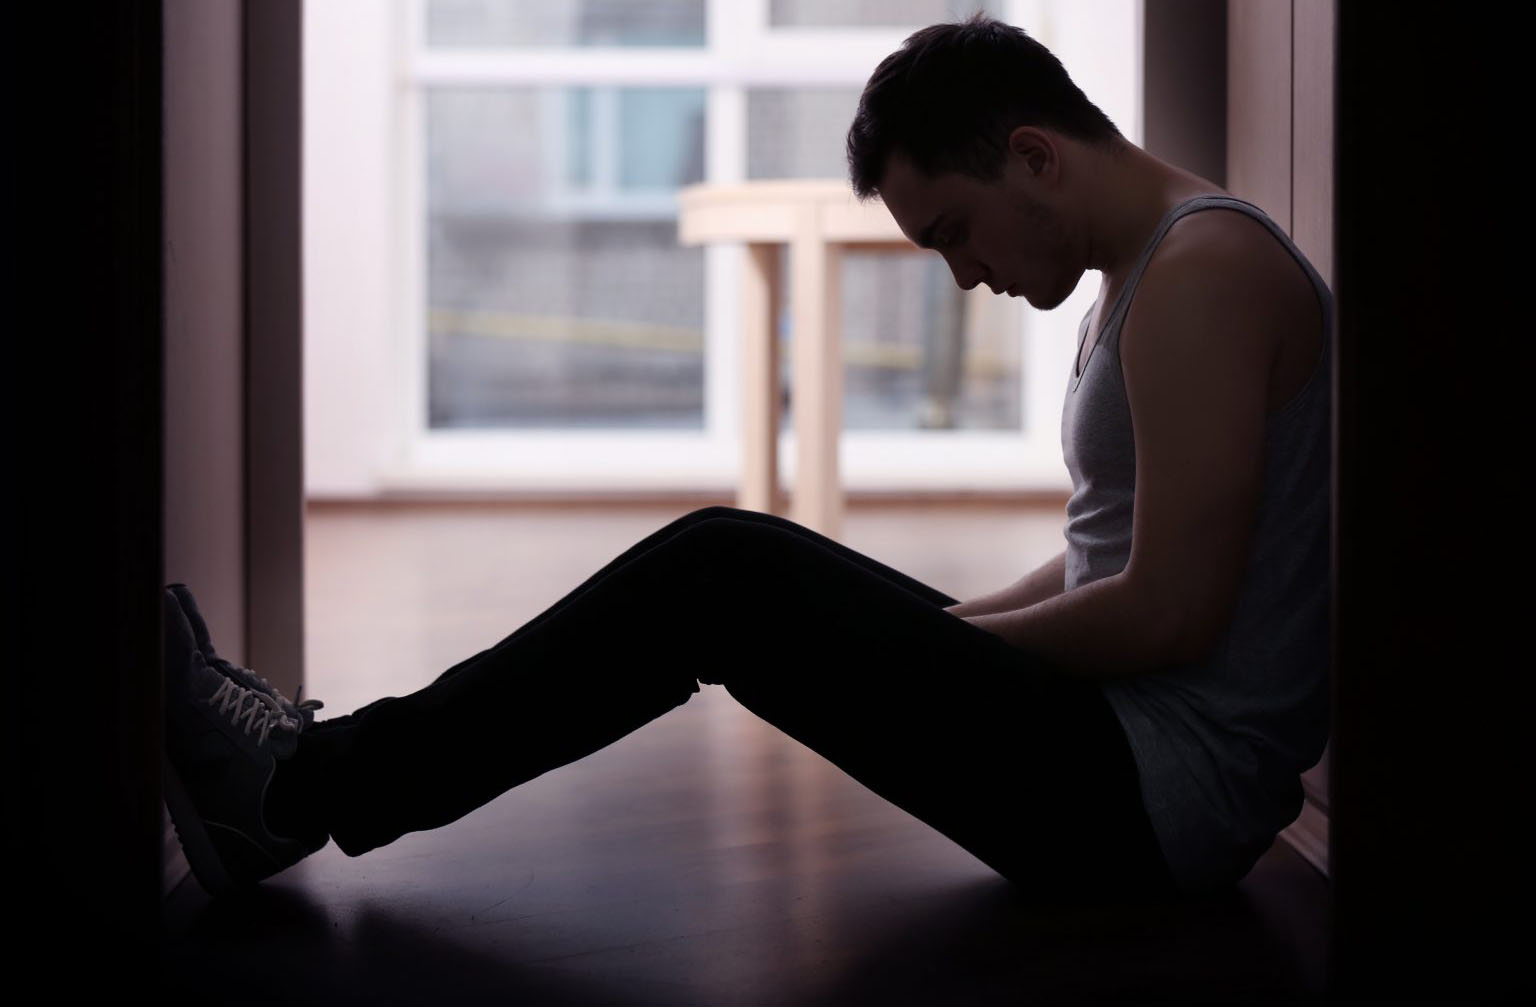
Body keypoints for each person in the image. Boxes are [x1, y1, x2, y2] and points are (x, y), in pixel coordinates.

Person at [162, 14, 1330, 906]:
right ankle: (313, 776)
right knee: (736, 561)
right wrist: (934, 640)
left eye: (955, 232)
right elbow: (1104, 557)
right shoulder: (1152, 273)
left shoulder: (1200, 279)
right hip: (1117, 753)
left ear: (1033, 155)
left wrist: (924, 648)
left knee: (726, 569)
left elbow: (1171, 613)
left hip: (1149, 805)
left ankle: (296, 790)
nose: (964, 274)